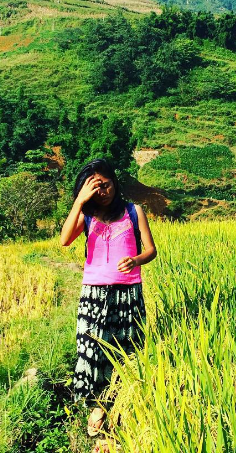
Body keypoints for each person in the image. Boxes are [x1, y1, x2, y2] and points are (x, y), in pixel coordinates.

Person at [60, 158, 157, 438]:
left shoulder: (133, 211)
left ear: (115, 182)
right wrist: (80, 202)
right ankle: (98, 406)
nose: (102, 191)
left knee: (126, 349)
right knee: (90, 351)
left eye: (106, 184)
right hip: (93, 293)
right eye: (95, 187)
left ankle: (124, 401)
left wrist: (136, 259)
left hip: (128, 292)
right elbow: (64, 240)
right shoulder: (87, 215)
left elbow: (151, 250)